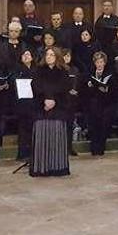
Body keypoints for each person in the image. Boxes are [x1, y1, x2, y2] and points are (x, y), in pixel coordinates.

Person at [30, 47, 72, 177]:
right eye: (47, 54)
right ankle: (41, 167)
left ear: (57, 57)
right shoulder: (38, 70)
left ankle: (57, 167)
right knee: (42, 138)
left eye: (52, 55)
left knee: (56, 138)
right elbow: (36, 86)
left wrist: (53, 100)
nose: (49, 57)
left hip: (58, 108)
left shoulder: (63, 72)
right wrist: (46, 99)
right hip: (42, 107)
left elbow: (64, 88)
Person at [84, 51, 115, 156]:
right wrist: (89, 86)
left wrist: (106, 90)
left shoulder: (110, 74)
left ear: (105, 63)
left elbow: (114, 90)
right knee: (93, 127)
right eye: (97, 62)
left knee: (103, 127)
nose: (99, 64)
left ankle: (101, 148)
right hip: (93, 105)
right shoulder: (90, 74)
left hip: (105, 105)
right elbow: (84, 90)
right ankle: (94, 148)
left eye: (101, 62)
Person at [12, 49, 37, 162]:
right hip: (22, 103)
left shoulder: (37, 69)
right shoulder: (17, 69)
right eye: (24, 55)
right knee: (22, 129)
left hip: (34, 103)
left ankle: (34, 152)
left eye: (28, 54)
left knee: (34, 128)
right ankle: (22, 153)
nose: (26, 56)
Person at [63, 49, 81, 156]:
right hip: (62, 101)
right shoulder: (59, 69)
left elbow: (78, 83)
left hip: (72, 101)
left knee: (70, 124)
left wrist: (76, 90)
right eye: (64, 56)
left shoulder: (75, 69)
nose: (66, 58)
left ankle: (69, 147)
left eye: (68, 56)